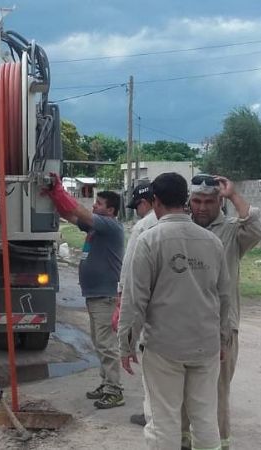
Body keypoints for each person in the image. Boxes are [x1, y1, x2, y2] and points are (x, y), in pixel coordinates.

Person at [119, 172, 231, 450]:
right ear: (186, 201)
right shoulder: (212, 242)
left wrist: (126, 344)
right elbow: (224, 296)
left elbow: (135, 300)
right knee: (205, 418)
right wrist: (223, 338)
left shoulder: (149, 240)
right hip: (205, 346)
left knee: (163, 420)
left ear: (155, 200)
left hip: (163, 347)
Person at [180, 173, 261, 450]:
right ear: (189, 202)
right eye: (197, 201)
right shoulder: (178, 229)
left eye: (209, 201)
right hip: (182, 325)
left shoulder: (231, 230)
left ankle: (221, 443)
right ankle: (183, 441)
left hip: (221, 329)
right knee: (181, 392)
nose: (203, 207)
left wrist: (233, 195)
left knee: (216, 392)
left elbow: (258, 229)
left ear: (219, 201)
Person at [44, 173, 125, 409]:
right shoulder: (95, 228)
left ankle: (115, 390)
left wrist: (59, 190)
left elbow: (78, 210)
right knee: (99, 342)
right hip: (95, 294)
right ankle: (106, 383)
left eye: (99, 204)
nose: (94, 206)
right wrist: (53, 196)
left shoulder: (110, 226)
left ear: (110, 211)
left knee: (106, 344)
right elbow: (69, 215)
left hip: (105, 295)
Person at [113, 182, 159, 425]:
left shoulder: (144, 227)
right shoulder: (189, 224)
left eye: (139, 206)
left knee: (151, 365)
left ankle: (152, 415)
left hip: (146, 305)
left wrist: (121, 299)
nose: (138, 211)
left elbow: (129, 268)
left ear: (148, 202)